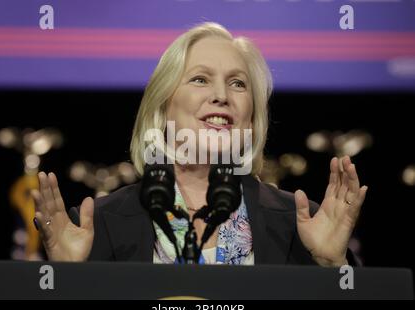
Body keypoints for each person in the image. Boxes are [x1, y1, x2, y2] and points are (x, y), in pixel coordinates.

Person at [31, 22, 367, 266]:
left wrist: (332, 266)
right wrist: (67, 281)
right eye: (200, 79)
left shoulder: (296, 222)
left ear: (250, 118)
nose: (221, 95)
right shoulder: (100, 223)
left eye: (237, 83)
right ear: (163, 108)